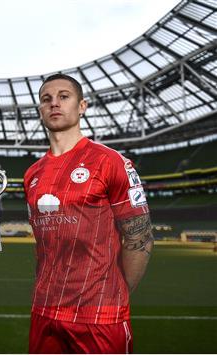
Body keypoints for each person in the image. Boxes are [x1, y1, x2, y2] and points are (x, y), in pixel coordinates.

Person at [24, 74, 153, 353]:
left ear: (82, 106)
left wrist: (112, 294)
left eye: (64, 96)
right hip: (45, 311)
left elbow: (140, 238)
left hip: (99, 316)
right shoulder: (32, 174)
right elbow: (42, 245)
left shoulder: (111, 162)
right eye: (46, 99)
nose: (54, 103)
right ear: (40, 110)